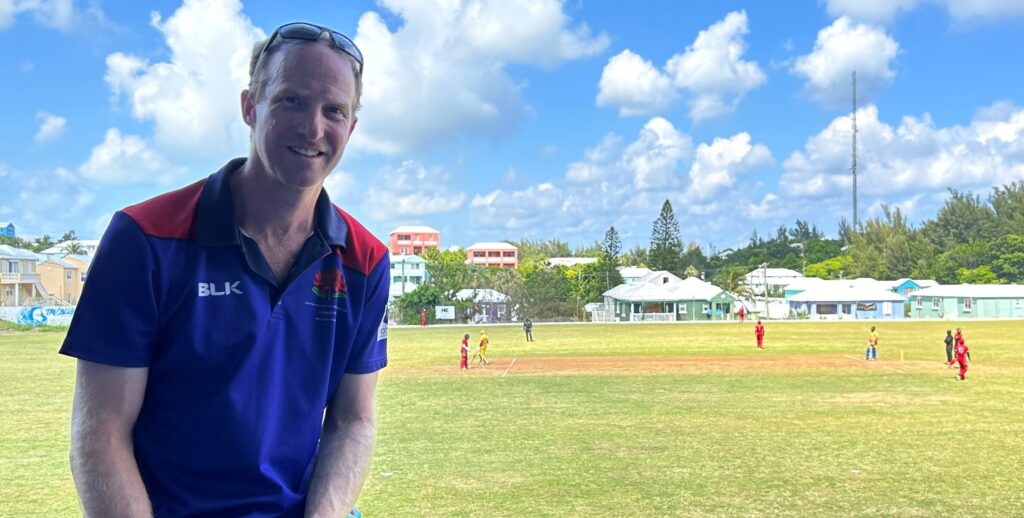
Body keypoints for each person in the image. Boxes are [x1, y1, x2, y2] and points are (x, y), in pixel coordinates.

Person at [60, 22, 385, 517]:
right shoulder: (146, 237)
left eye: (333, 110)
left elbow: (352, 422)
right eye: (292, 101)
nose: (314, 128)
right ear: (250, 107)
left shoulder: (365, 261)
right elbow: (101, 434)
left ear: (351, 128)